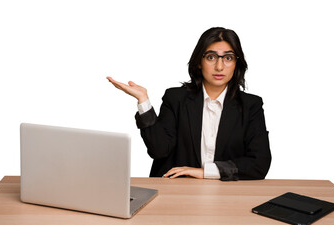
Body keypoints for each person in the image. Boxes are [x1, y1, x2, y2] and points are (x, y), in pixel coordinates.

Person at [107, 27, 271, 181]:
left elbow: (259, 163)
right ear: (199, 62)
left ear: (236, 64)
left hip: (226, 193)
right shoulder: (176, 98)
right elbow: (159, 150)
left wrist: (204, 172)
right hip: (177, 191)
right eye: (211, 57)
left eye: (228, 58)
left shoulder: (251, 105)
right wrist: (144, 101)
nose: (219, 66)